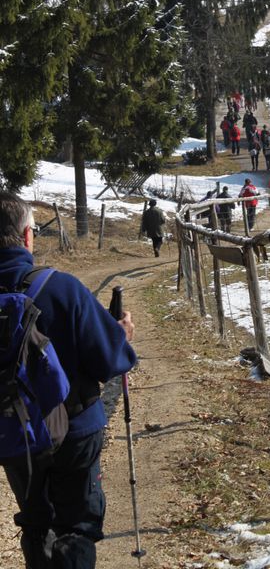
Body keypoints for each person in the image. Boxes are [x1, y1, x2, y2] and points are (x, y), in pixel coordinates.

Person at [0, 191, 136, 569]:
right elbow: (113, 360)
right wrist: (121, 334)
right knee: (75, 526)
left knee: (35, 521)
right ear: (28, 236)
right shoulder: (61, 288)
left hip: (15, 434)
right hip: (74, 429)